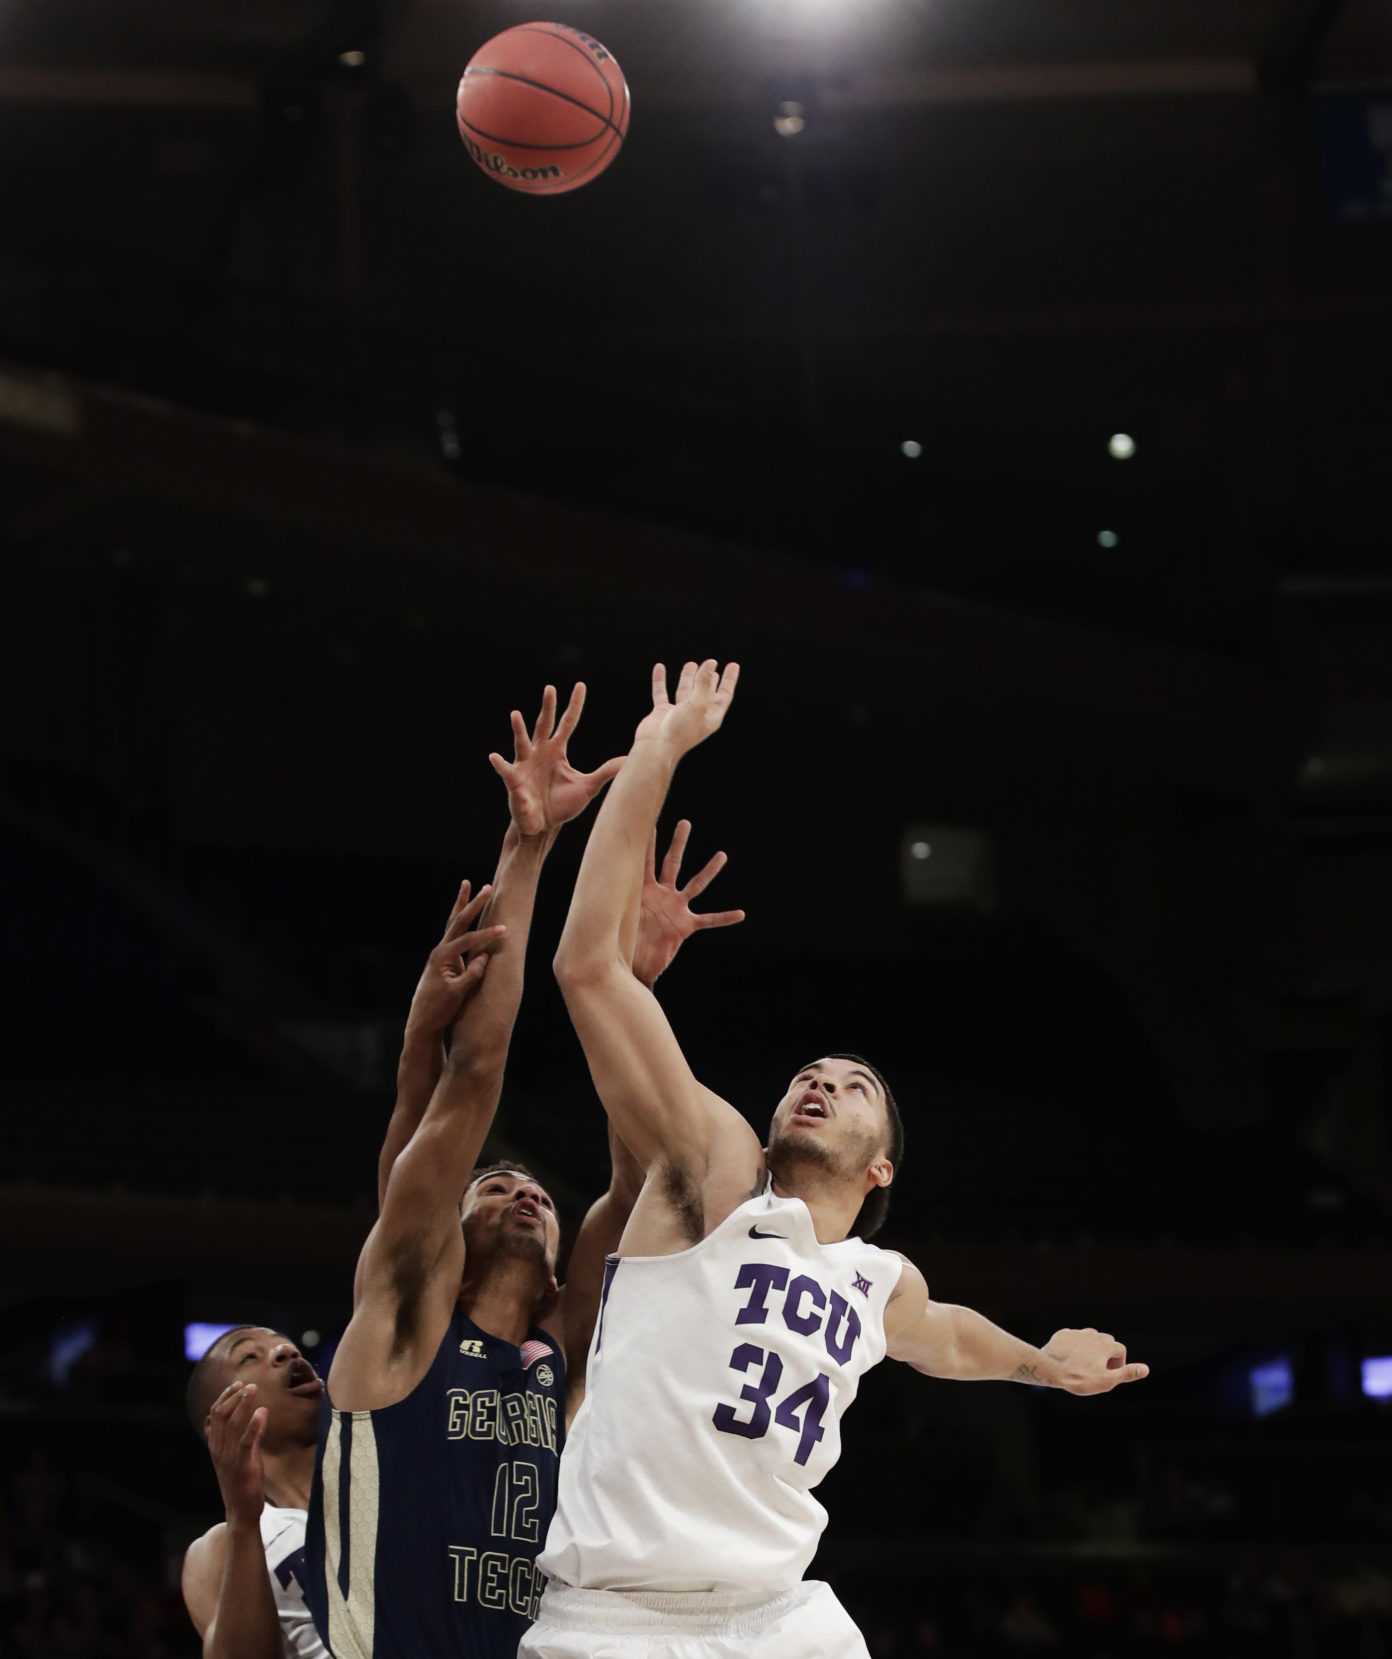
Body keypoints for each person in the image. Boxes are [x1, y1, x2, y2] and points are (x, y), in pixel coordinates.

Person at [528, 659, 1150, 1659]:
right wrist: (658, 752)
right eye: (805, 1075)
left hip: (779, 1617)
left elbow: (941, 1336)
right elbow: (582, 966)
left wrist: (1041, 1367)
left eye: (851, 1084)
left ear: (882, 1171)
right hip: (620, 1616)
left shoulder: (875, 1281)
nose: (817, 1082)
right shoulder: (719, 1173)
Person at [303, 682, 744, 1659]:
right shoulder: (408, 1314)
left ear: (557, 1272)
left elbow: (647, 1192)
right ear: (443, 1241)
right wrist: (530, 844)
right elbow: (476, 1077)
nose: (520, 1186)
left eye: (533, 1189)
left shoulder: (564, 1357)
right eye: (490, 1187)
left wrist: (632, 1000)